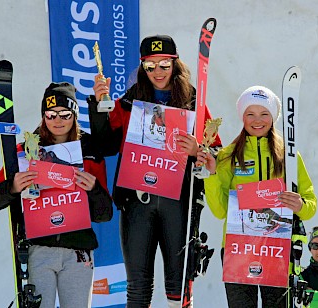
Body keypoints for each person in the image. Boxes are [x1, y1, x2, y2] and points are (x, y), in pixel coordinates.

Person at [88, 34, 221, 308]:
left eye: (163, 64)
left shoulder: (194, 102)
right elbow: (106, 145)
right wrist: (100, 104)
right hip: (138, 201)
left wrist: (198, 150)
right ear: (142, 67)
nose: (157, 72)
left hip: (179, 201)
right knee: (137, 286)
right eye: (150, 66)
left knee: (178, 282)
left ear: (175, 64)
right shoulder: (130, 102)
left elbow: (215, 151)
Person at [0, 82, 113, 308]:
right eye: (51, 115)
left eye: (64, 114)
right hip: (38, 249)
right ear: (43, 116)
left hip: (78, 252)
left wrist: (94, 189)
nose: (58, 120)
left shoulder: (89, 152)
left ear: (74, 114)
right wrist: (13, 187)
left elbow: (104, 214)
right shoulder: (26, 151)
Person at [196, 85, 317, 308]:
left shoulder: (289, 156)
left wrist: (300, 204)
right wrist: (211, 175)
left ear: (273, 116)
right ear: (242, 116)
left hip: (277, 248)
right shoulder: (228, 156)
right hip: (238, 248)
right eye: (250, 114)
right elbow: (220, 211)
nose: (257, 120)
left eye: (264, 114)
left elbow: (310, 205)